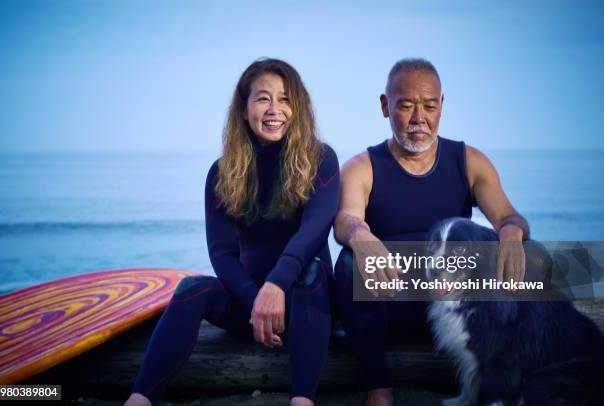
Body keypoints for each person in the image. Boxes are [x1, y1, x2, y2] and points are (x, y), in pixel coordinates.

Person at [125, 58, 340, 406]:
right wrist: (257, 297)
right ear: (243, 108)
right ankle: (139, 399)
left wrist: (275, 286)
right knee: (192, 288)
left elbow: (314, 231)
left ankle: (302, 401)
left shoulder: (320, 159)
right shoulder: (223, 171)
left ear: (297, 107)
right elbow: (222, 252)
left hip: (307, 303)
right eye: (262, 99)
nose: (275, 109)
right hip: (249, 303)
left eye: (285, 99)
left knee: (312, 272)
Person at [333, 58, 529, 406]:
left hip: (454, 307)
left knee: (528, 255)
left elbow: (508, 217)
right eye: (405, 106)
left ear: (442, 106)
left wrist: (512, 233)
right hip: (392, 308)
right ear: (385, 106)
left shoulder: (469, 161)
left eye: (429, 106)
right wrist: (361, 236)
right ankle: (379, 387)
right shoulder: (362, 167)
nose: (418, 118)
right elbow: (346, 218)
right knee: (349, 263)